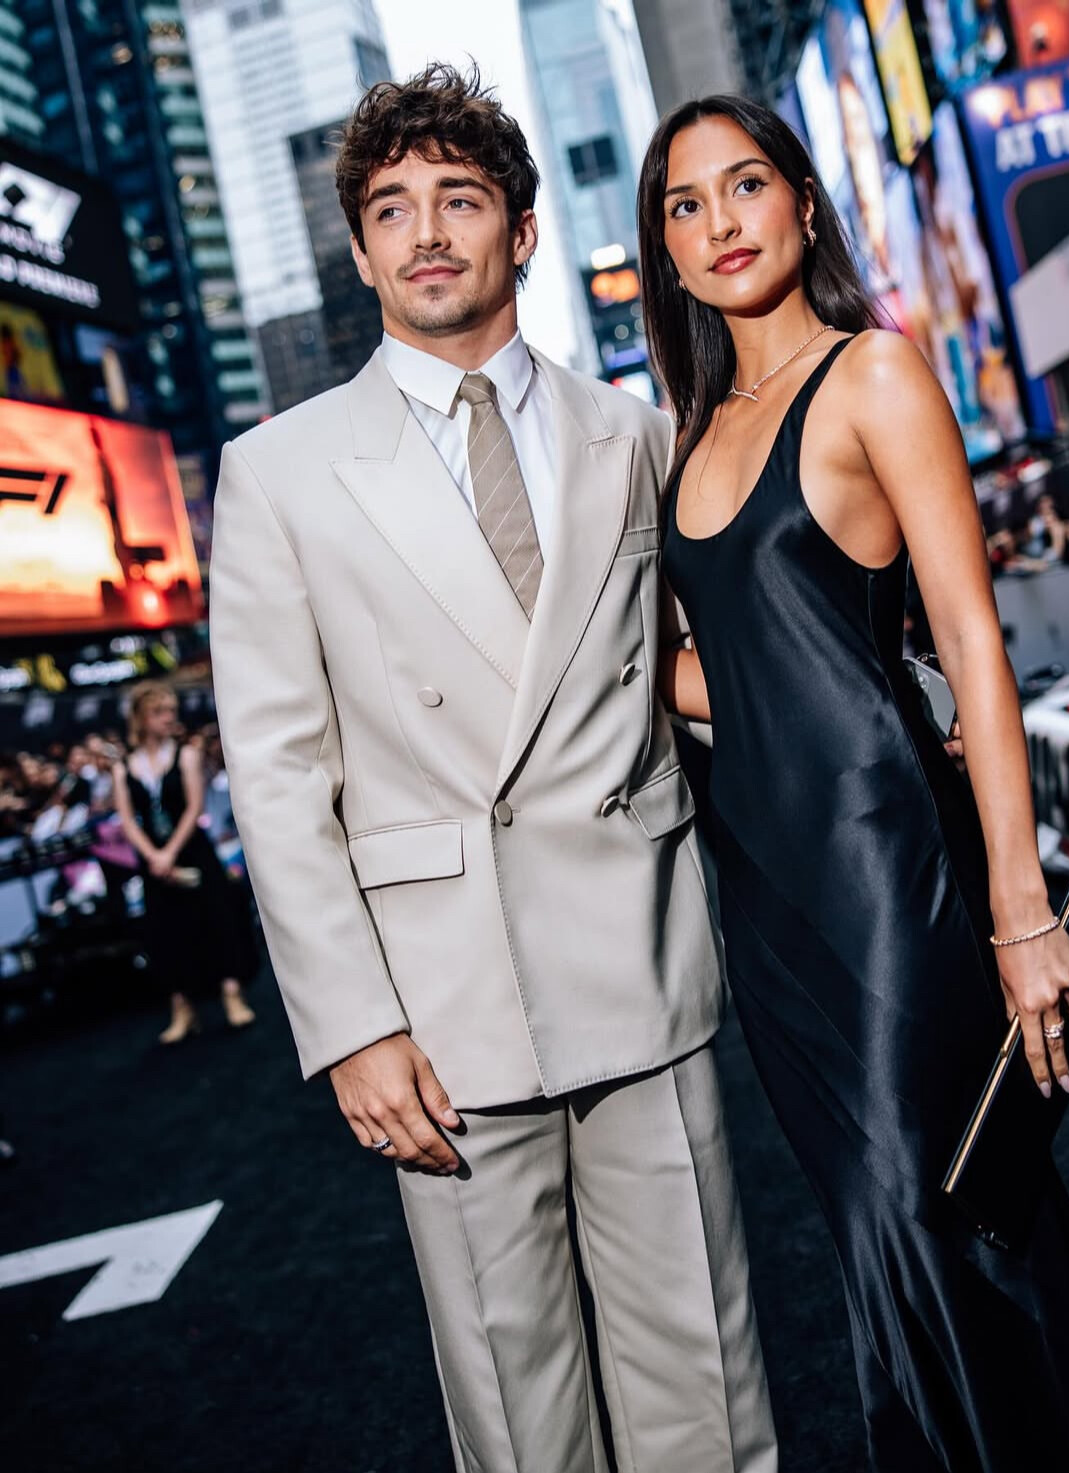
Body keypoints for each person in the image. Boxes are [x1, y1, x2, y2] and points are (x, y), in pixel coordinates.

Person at [209, 65, 775, 1473]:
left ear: (520, 231)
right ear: (359, 252)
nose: (426, 233)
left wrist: (907, 699)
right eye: (390, 208)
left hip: (639, 959)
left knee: (704, 1389)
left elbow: (724, 658)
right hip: (439, 1015)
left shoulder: (634, 433)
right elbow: (276, 775)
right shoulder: (279, 472)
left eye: (458, 199)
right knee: (521, 1424)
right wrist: (351, 1026)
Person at [638, 94, 1069, 1472]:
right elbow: (741, 672)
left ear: (801, 202)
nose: (719, 222)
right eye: (684, 205)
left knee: (938, 1218)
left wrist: (1017, 906)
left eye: (744, 184)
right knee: (884, 1236)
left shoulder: (872, 373)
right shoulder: (690, 430)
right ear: (664, 249)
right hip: (765, 903)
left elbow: (973, 645)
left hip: (890, 879)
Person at [111, 683, 255, 1042]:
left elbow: (195, 807)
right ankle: (182, 1007)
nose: (168, 718)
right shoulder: (123, 767)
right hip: (153, 861)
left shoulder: (186, 755)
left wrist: (169, 852)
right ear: (141, 718)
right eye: (159, 712)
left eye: (171, 711)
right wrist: (153, 856)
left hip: (192, 851)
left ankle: (232, 993)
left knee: (217, 919)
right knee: (166, 932)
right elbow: (127, 820)